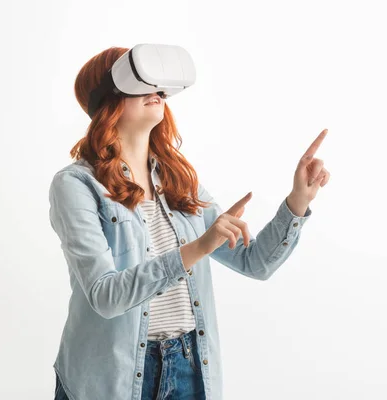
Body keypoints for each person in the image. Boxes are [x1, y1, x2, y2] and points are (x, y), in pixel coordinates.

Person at [48, 46, 330, 400]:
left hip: (188, 366)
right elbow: (105, 296)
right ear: (108, 98)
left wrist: (298, 202)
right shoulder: (76, 185)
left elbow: (254, 262)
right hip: (111, 378)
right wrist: (197, 248)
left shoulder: (178, 179)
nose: (153, 88)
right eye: (138, 80)